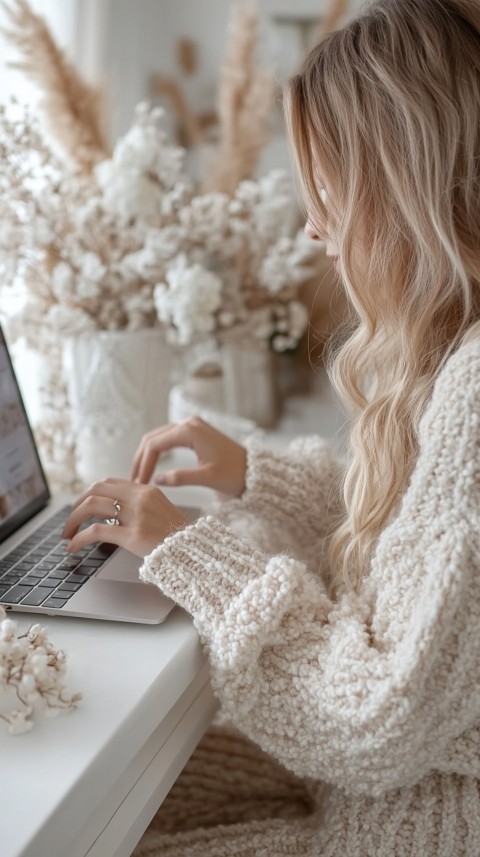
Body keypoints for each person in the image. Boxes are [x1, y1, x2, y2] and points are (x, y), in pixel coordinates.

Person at [63, 0, 480, 853]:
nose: (314, 226)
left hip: (410, 823)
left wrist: (193, 553)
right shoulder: (454, 348)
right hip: (385, 797)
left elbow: (378, 717)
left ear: (402, 188)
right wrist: (253, 475)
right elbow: (423, 554)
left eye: (327, 192)